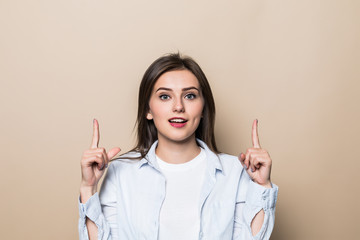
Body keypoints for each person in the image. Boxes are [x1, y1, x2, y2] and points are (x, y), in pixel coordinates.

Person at [78, 53, 278, 240]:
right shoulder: (120, 172)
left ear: (203, 108)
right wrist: (88, 188)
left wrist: (261, 187)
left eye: (189, 95)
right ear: (148, 109)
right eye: (165, 96)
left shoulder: (235, 171)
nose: (179, 107)